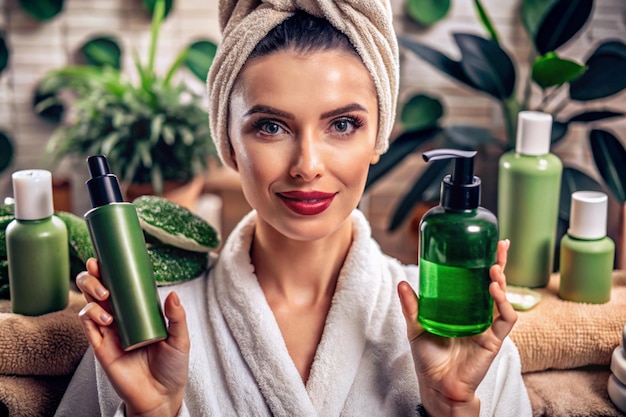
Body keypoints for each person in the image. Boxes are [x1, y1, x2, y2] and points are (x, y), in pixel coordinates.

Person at [55, 1, 532, 416]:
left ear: (377, 138)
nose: (307, 165)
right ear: (229, 144)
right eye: (270, 127)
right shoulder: (148, 329)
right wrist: (153, 412)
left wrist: (452, 408)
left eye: (343, 124)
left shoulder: (457, 332)